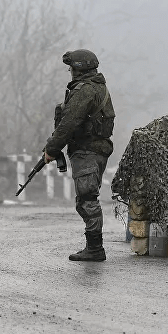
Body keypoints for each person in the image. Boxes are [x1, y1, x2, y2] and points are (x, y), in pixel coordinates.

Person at [44, 49, 115, 261]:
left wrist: (51, 149)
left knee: (86, 199)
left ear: (79, 69)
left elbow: (68, 123)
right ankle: (94, 246)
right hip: (96, 150)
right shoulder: (99, 87)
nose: (70, 72)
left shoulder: (84, 90)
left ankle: (95, 248)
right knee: (87, 197)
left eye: (72, 68)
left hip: (87, 151)